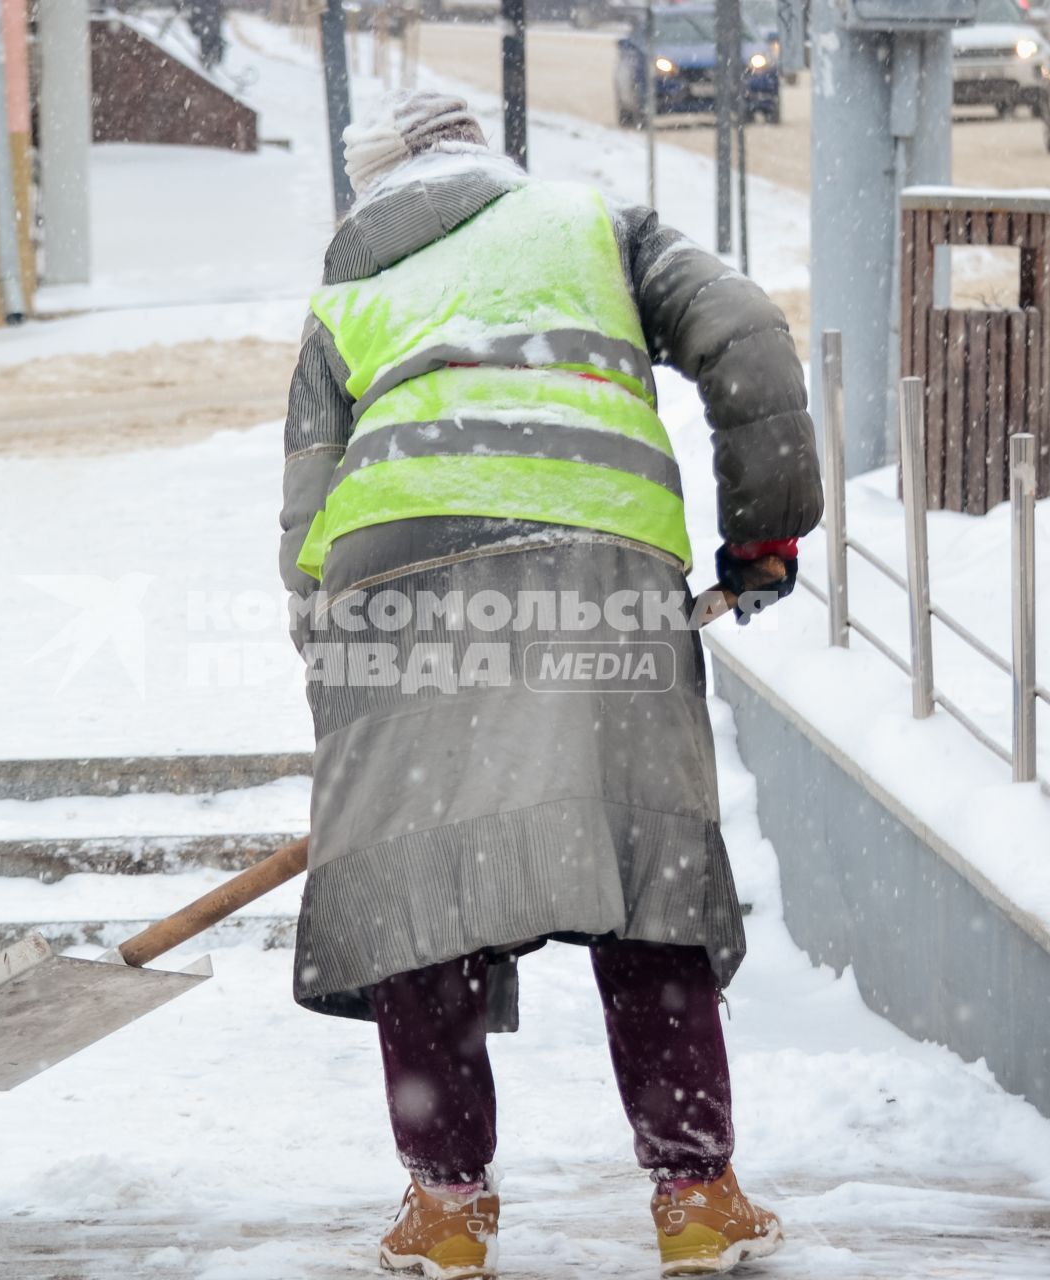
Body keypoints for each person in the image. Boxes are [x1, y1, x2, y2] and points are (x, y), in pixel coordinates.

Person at [277, 91, 821, 1279]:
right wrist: (765, 532)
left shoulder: (346, 296)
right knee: (648, 868)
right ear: (489, 159)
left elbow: (306, 513)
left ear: (374, 187)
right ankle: (694, 1193)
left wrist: (341, 688)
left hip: (397, 584)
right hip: (600, 570)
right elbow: (746, 336)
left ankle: (447, 1211)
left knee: (422, 884)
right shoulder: (597, 224)